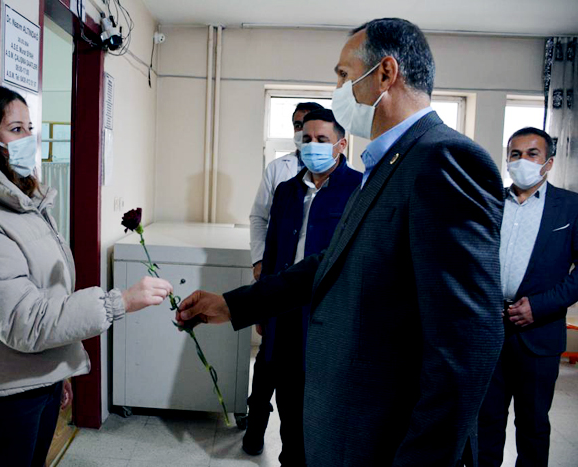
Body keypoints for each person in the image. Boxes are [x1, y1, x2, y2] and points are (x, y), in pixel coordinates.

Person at [177, 18, 505, 466]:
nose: (337, 90)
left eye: (344, 75)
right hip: (351, 424)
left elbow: (466, 345)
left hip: (387, 437)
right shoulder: (387, 163)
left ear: (385, 74)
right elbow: (330, 262)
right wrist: (234, 305)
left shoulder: (442, 159)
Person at [0, 85, 172, 467]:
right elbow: (26, 322)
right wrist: (117, 303)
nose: (29, 140)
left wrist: (57, 371)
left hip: (32, 386)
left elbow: (46, 296)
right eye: (16, 129)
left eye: (30, 128)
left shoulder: (19, 205)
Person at [243, 109, 362, 463]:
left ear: (341, 145)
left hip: (330, 320)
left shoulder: (359, 189)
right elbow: (273, 253)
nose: (312, 145)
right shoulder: (287, 191)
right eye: (306, 138)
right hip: (285, 316)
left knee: (324, 418)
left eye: (322, 139)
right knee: (290, 412)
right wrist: (262, 308)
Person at [478, 127, 578, 467]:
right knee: (484, 423)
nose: (523, 161)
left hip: (539, 333)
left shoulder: (570, 207)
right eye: (515, 154)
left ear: (548, 162)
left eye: (532, 154)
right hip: (489, 331)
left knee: (533, 425)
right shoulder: (489, 203)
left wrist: (540, 306)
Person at [249, 101, 324, 281]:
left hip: (319, 267)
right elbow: (259, 216)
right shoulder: (276, 168)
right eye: (298, 125)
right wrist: (259, 260)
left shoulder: (346, 175)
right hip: (281, 265)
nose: (302, 130)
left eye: (307, 124)